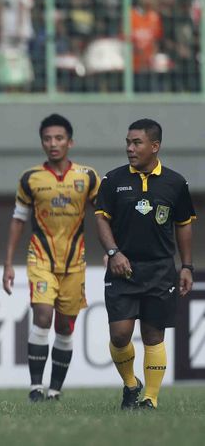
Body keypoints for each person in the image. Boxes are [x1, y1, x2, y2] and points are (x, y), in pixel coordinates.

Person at [95, 119, 195, 410]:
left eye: (136, 142)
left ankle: (150, 399)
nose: (129, 148)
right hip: (122, 268)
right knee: (120, 335)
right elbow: (101, 219)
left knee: (153, 336)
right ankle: (130, 384)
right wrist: (114, 253)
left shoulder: (176, 183)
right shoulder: (112, 180)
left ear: (155, 146)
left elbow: (184, 225)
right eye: (127, 142)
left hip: (160, 269)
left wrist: (186, 266)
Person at [2, 114, 100, 402]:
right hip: (40, 259)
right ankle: (35, 388)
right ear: (42, 142)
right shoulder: (30, 178)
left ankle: (55, 390)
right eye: (47, 139)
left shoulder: (87, 176)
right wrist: (8, 263)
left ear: (70, 142)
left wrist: (112, 250)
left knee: (65, 327)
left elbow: (105, 217)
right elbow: (18, 219)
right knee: (42, 317)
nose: (53, 143)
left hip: (74, 264)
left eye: (59, 138)